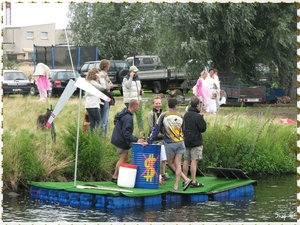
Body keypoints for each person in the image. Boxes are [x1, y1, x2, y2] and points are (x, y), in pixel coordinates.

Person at [148, 98, 192, 191]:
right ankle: (177, 184)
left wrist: (149, 141)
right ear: (176, 106)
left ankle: (185, 180)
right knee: (178, 163)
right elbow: (184, 130)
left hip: (170, 143)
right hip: (180, 142)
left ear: (168, 105)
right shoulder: (181, 116)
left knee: (171, 164)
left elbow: (156, 129)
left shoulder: (163, 115)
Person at [111, 99, 148, 183]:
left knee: (123, 158)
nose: (138, 108)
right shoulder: (128, 117)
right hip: (121, 140)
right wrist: (136, 140)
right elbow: (127, 134)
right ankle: (115, 177)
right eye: (138, 106)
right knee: (123, 158)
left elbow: (116, 120)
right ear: (134, 106)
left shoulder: (124, 112)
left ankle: (115, 176)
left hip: (118, 138)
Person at [147, 95, 173, 182]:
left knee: (163, 158)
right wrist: (163, 135)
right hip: (154, 140)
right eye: (156, 103)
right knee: (155, 159)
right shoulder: (151, 114)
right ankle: (155, 175)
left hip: (162, 140)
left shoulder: (163, 114)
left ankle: (163, 174)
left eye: (159, 103)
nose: (158, 105)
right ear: (153, 104)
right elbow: (151, 128)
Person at [183, 97, 206, 188]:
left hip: (186, 140)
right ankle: (193, 181)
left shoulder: (186, 114)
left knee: (186, 160)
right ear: (197, 105)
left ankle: (185, 180)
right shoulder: (198, 116)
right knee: (194, 161)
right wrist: (202, 119)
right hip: (196, 141)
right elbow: (203, 129)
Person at [122, 65, 144, 133]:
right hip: (129, 101)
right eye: (135, 72)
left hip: (137, 100)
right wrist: (131, 77)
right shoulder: (125, 78)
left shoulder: (138, 78)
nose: (136, 73)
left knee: (140, 117)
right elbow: (128, 86)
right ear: (131, 72)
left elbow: (137, 88)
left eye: (136, 72)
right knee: (130, 118)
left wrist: (140, 92)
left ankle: (141, 131)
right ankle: (130, 131)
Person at [97, 59, 113, 136]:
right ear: (106, 66)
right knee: (104, 117)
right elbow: (106, 87)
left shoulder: (105, 74)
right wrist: (108, 85)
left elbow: (111, 84)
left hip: (107, 96)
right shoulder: (102, 75)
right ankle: (103, 135)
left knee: (106, 118)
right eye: (108, 65)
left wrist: (109, 85)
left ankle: (104, 135)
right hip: (104, 96)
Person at [84, 67, 102, 132]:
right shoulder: (93, 82)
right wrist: (100, 79)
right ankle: (98, 136)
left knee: (92, 123)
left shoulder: (87, 82)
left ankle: (91, 136)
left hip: (88, 104)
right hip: (94, 104)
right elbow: (103, 87)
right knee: (99, 121)